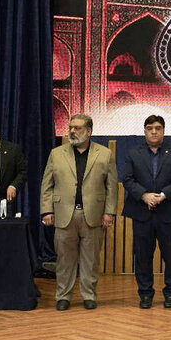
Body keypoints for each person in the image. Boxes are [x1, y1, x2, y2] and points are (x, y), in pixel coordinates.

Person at [41, 114, 118, 310]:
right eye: (71, 128)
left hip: (93, 214)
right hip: (63, 214)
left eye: (77, 128)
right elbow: (47, 185)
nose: (72, 131)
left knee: (90, 260)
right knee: (64, 260)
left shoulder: (105, 154)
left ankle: (89, 295)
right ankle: (63, 296)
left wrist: (109, 212)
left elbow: (111, 187)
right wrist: (46, 211)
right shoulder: (56, 153)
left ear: (89, 131)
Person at [121, 115, 171, 309]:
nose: (154, 131)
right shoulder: (133, 153)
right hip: (142, 213)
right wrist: (144, 195)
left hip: (169, 212)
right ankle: (145, 294)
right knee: (142, 256)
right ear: (144, 131)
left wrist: (163, 195)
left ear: (163, 131)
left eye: (158, 128)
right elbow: (127, 179)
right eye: (150, 128)